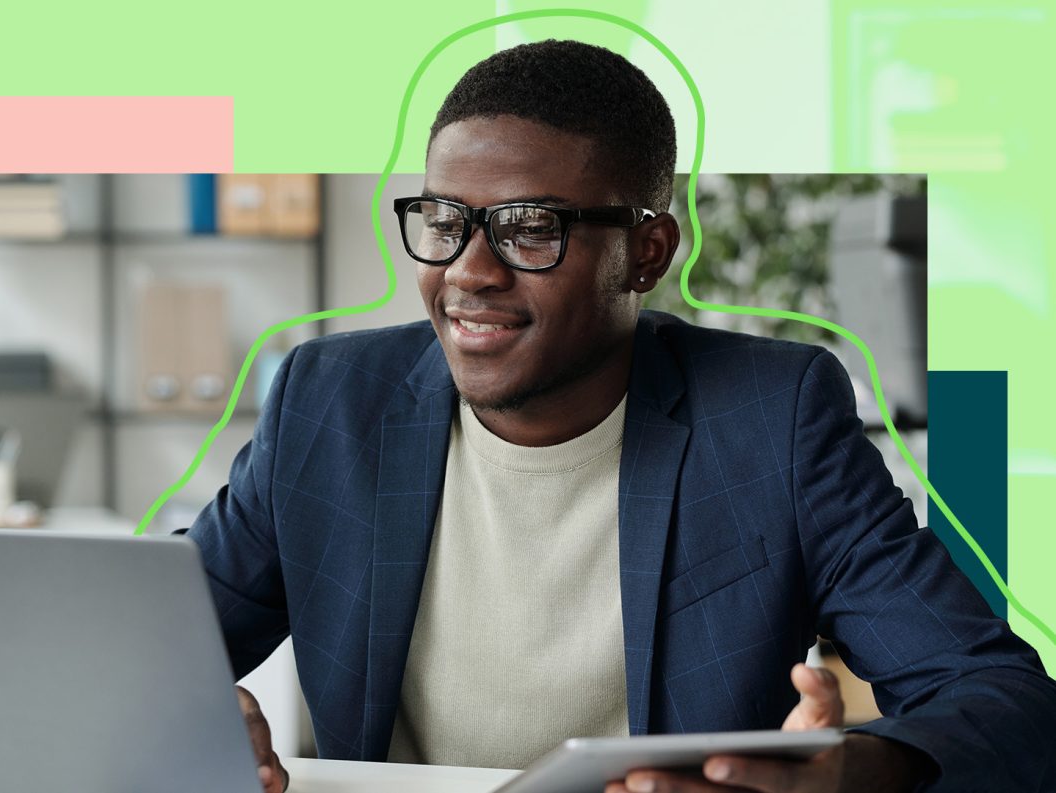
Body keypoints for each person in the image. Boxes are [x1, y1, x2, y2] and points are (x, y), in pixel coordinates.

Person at [184, 39, 1056, 793]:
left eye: (530, 229)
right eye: (445, 220)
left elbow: (1001, 697)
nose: (468, 271)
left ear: (646, 253)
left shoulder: (771, 422)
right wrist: (195, 722)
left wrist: (859, 769)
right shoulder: (328, 405)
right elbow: (132, 649)